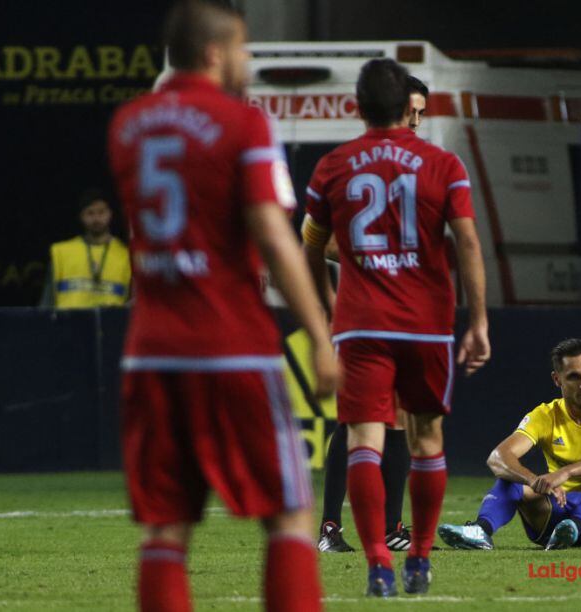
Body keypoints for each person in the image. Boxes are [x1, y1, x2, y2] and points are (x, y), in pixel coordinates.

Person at [108, 2, 339, 611]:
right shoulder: (243, 124)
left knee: (165, 528)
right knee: (289, 514)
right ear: (214, 53)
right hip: (231, 346)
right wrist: (319, 334)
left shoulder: (128, 125)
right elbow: (270, 232)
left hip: (151, 354)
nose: (249, 60)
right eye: (243, 48)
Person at [302, 58, 490, 596]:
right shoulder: (443, 164)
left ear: (356, 106)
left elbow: (309, 245)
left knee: (363, 439)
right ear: (406, 106)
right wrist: (477, 321)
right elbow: (468, 243)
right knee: (427, 439)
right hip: (426, 325)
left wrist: (325, 310)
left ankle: (378, 563)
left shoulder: (333, 166)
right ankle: (421, 558)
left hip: (360, 324)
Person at [318, 74, 431, 554]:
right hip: (366, 318)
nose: (418, 120)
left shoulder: (417, 166)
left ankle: (388, 528)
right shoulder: (363, 165)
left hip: (404, 317)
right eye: (414, 111)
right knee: (357, 420)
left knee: (399, 419)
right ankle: (329, 528)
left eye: (423, 113)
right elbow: (318, 241)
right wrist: (375, 261)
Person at [438, 339, 581, 552]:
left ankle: (576, 527)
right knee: (510, 478)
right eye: (574, 377)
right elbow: (498, 457)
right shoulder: (545, 416)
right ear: (557, 380)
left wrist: (565, 472)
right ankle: (481, 530)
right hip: (562, 510)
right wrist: (532, 480)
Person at [40, 190, 131, 308]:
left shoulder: (126, 256)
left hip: (111, 325)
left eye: (101, 212)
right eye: (90, 213)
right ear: (81, 216)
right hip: (68, 324)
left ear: (110, 214)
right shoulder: (62, 252)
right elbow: (46, 305)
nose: (96, 218)